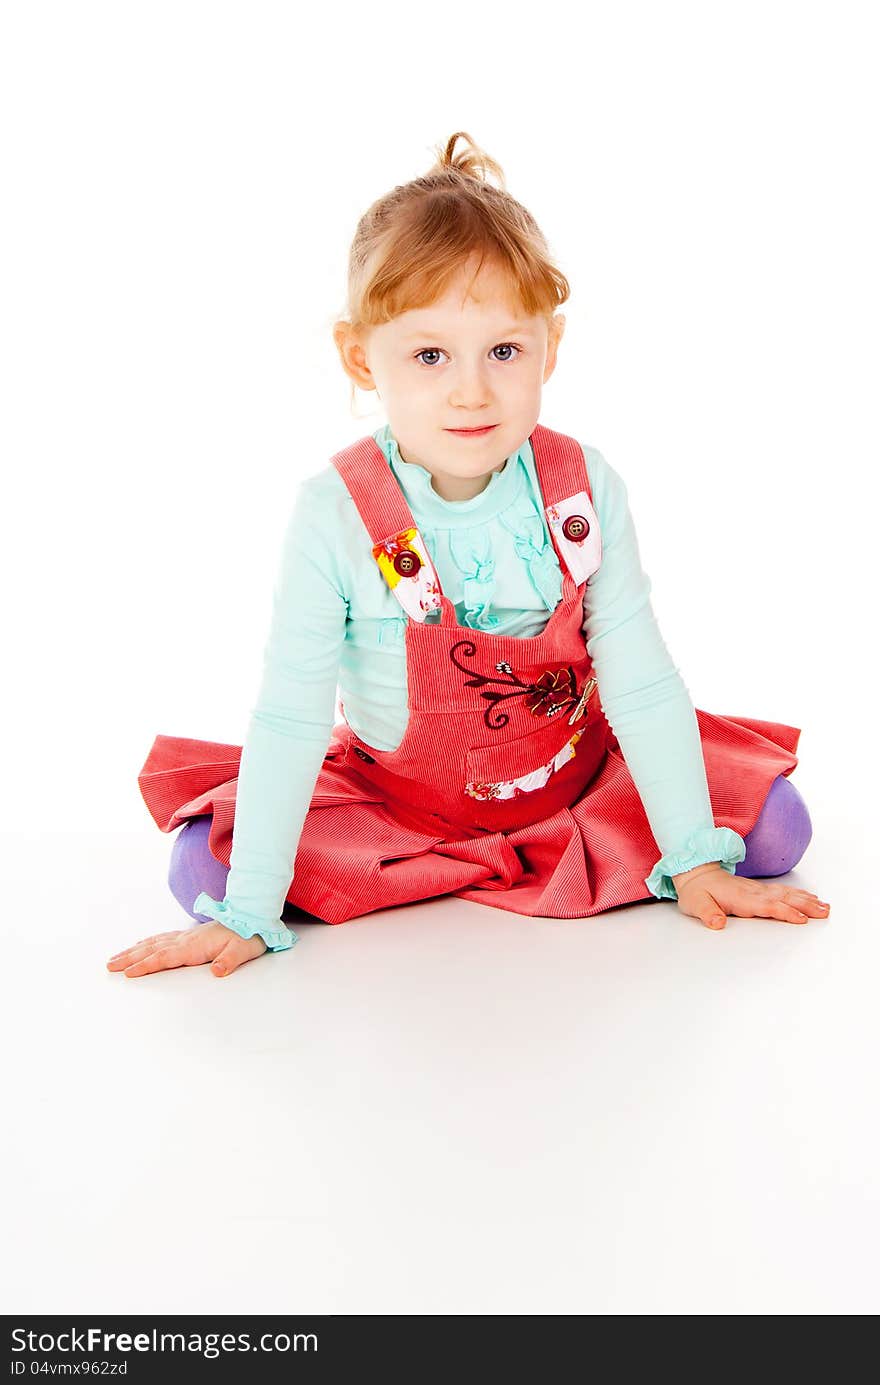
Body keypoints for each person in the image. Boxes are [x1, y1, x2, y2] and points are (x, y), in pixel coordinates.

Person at [108, 131, 830, 982]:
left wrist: (696, 857)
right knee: (210, 872)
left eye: (503, 351)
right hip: (398, 804)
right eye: (429, 355)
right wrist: (253, 906)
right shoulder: (334, 512)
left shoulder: (581, 487)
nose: (471, 390)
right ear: (358, 357)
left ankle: (598, 847)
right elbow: (291, 716)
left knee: (777, 829)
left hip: (573, 781)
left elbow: (638, 676)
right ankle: (412, 863)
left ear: (549, 347)